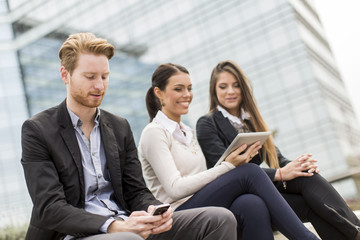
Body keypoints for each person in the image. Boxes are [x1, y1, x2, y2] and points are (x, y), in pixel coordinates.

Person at [20, 33, 238, 240]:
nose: (99, 85)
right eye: (90, 77)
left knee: (219, 219)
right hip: (78, 234)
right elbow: (50, 208)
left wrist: (154, 210)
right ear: (65, 75)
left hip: (128, 225)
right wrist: (114, 226)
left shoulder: (119, 127)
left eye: (105, 76)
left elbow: (136, 191)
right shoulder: (38, 130)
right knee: (127, 237)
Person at [138, 63, 319, 240]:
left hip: (201, 203)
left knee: (251, 203)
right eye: (178, 89)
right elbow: (175, 189)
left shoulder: (187, 131)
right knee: (250, 171)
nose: (187, 95)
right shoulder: (154, 132)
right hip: (175, 214)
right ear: (158, 93)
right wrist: (227, 166)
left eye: (189, 88)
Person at [196, 60, 360, 240]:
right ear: (214, 90)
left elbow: (277, 159)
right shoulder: (207, 123)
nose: (230, 91)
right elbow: (224, 171)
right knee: (303, 193)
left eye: (236, 85)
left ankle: (354, 231)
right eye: (223, 86)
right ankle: (355, 231)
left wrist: (299, 166)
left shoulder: (251, 121)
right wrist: (280, 173)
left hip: (264, 188)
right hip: (239, 197)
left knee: (307, 177)